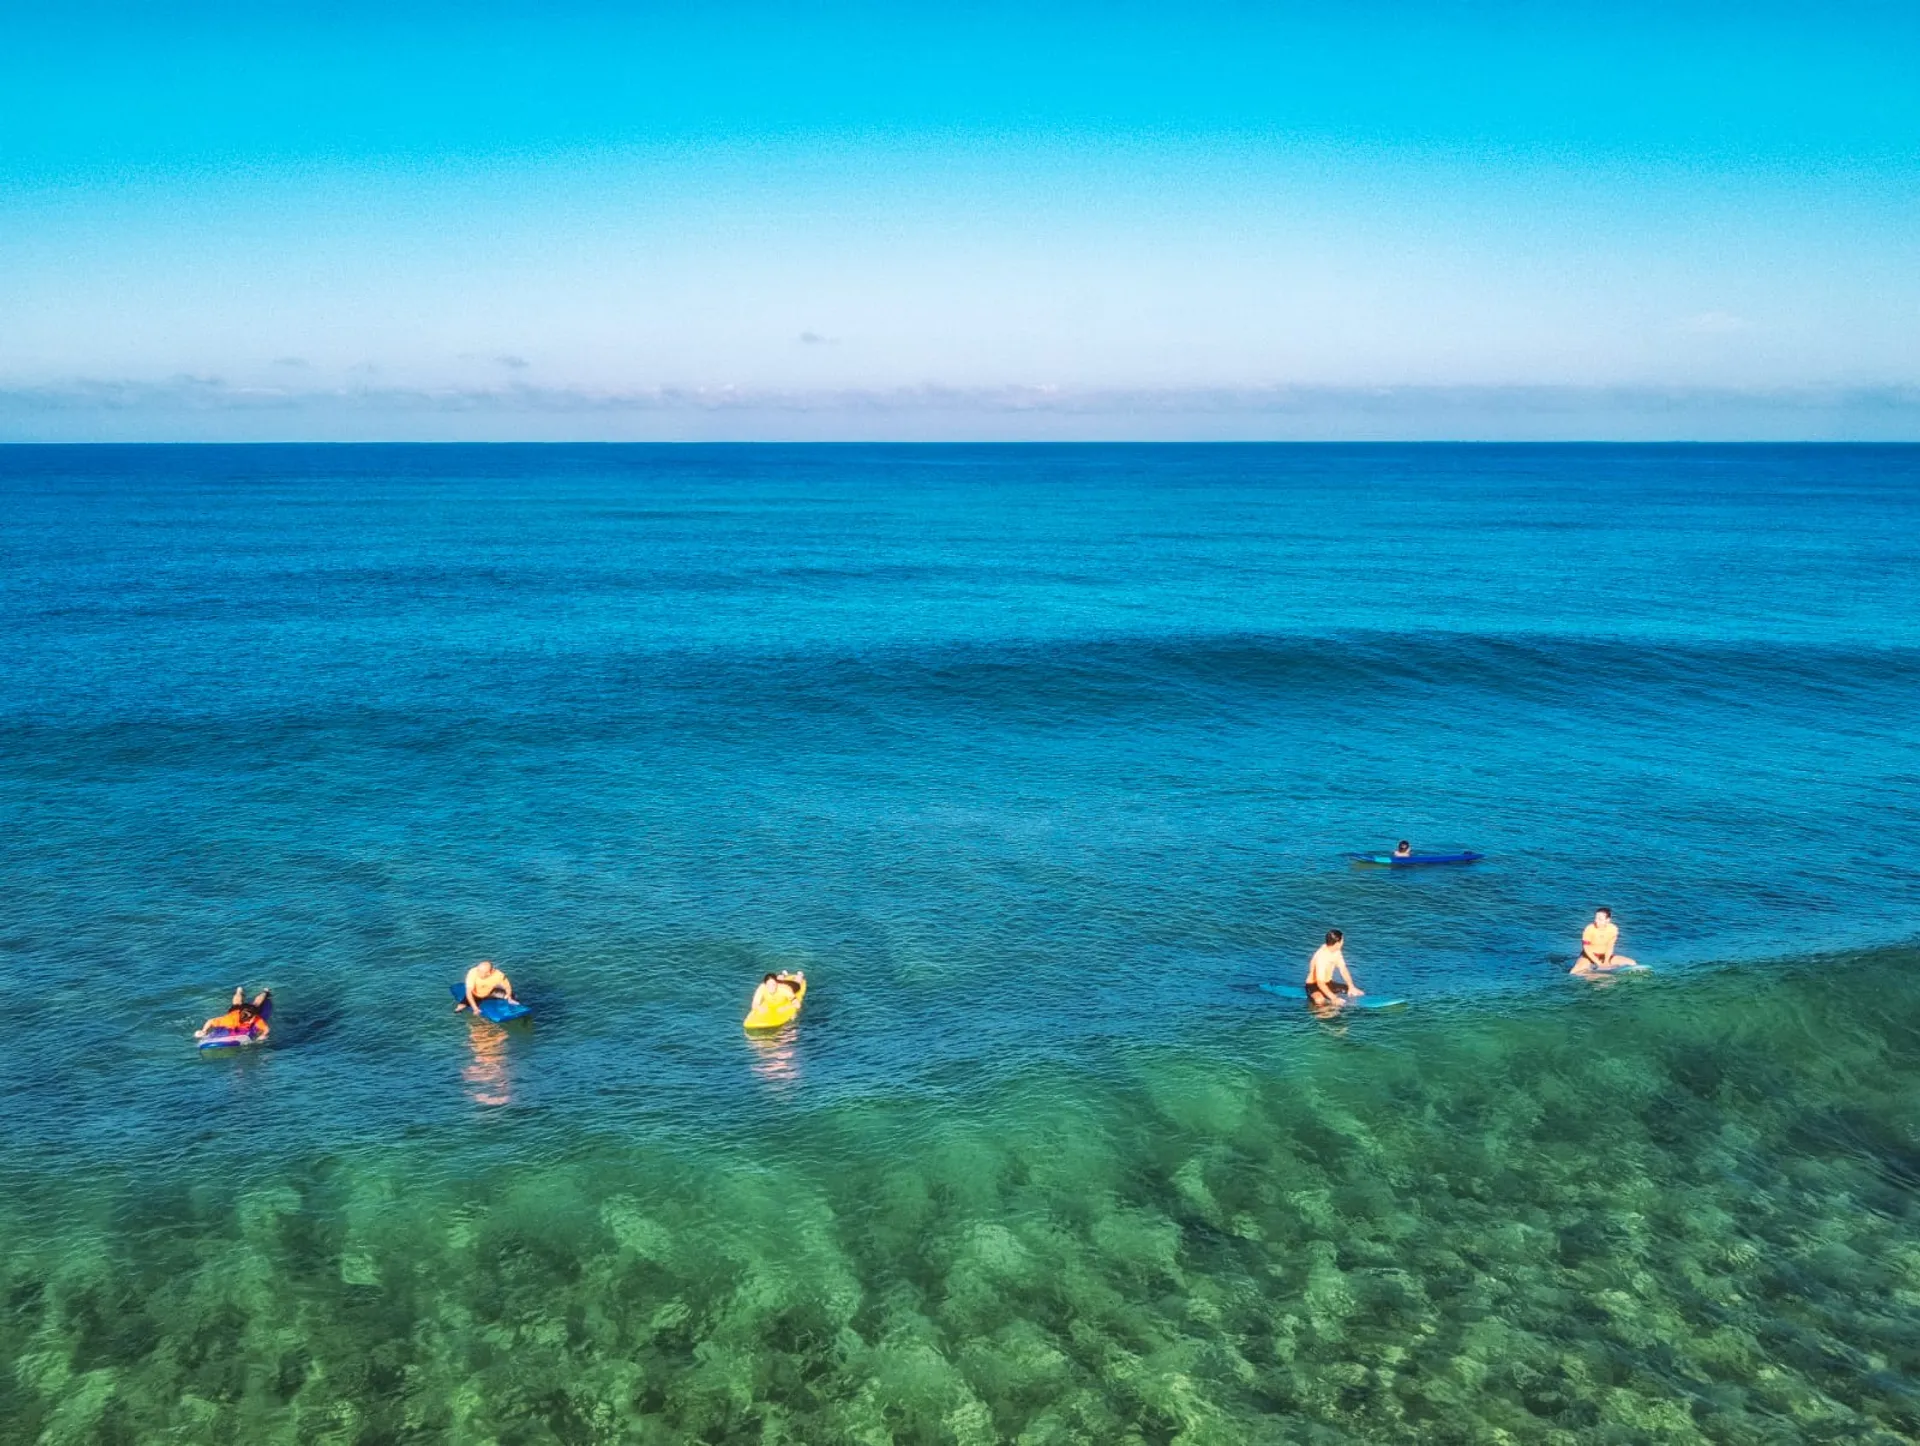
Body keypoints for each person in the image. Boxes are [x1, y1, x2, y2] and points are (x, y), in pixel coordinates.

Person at [1570, 908, 1639, 975]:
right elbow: (1586, 948)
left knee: (1632, 963)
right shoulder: (1589, 928)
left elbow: (1610, 947)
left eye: (1600, 919)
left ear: (1607, 920)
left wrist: (1606, 962)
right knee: (1574, 972)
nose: (1596, 921)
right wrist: (1599, 964)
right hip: (1588, 956)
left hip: (1604, 956)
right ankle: (1592, 972)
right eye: (1596, 918)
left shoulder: (1613, 929)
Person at [1305, 929, 1362, 1006]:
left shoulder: (1336, 952)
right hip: (1313, 985)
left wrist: (1351, 986)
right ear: (1338, 943)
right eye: (1342, 940)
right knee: (1319, 1000)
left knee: (1358, 992)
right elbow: (1320, 983)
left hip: (1328, 983)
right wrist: (1334, 998)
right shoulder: (1322, 957)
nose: (1343, 942)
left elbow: (1343, 969)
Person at [196, 986, 271, 1041]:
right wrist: (204, 1030)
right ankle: (239, 991)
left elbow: (266, 1029)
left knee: (256, 1004)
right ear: (246, 1020)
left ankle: (265, 992)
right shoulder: (230, 1020)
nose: (254, 1019)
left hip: (245, 1011)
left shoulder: (257, 1019)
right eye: (252, 1019)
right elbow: (211, 1021)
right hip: (235, 1012)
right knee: (237, 1004)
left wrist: (263, 1035)